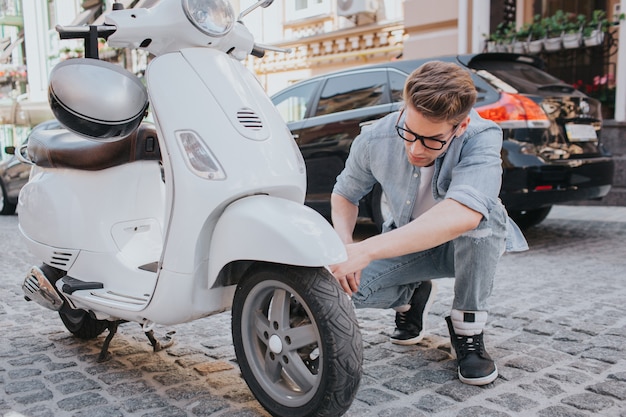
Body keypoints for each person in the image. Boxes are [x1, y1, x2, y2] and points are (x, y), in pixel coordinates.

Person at [329, 60, 528, 386]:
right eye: (408, 131)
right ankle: (411, 294)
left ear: (459, 127)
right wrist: (345, 247)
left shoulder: (481, 136)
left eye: (432, 140)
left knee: (485, 215)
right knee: (341, 289)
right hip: (406, 243)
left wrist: (367, 249)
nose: (414, 148)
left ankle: (468, 333)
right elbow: (344, 195)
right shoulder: (374, 138)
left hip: (464, 246)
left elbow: (465, 213)